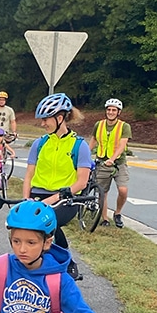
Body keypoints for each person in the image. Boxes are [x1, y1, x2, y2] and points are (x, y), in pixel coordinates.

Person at [22, 93, 91, 281]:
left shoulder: (79, 146)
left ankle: (67, 262)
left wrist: (56, 197)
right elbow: (29, 175)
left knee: (47, 220)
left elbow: (81, 182)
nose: (42, 124)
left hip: (67, 198)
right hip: (37, 194)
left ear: (59, 118)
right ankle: (34, 264)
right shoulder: (40, 143)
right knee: (22, 225)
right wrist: (26, 198)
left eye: (46, 119)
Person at [88, 98, 131, 228]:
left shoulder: (124, 126)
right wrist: (85, 154)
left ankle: (117, 213)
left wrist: (112, 159)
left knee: (123, 190)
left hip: (118, 163)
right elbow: (93, 140)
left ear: (118, 112)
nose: (111, 112)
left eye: (114, 110)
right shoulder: (99, 125)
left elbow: (122, 145)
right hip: (102, 162)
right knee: (102, 192)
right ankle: (104, 219)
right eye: (109, 110)